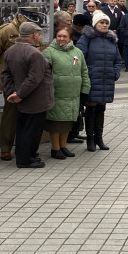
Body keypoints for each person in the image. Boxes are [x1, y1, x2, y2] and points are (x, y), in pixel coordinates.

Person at [0, 23, 54, 170]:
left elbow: (5, 75)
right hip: (35, 99)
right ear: (34, 35)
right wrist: (19, 94)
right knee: (32, 130)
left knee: (23, 128)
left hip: (22, 97)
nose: (40, 37)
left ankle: (25, 154)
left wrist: (13, 92)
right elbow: (34, 78)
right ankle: (26, 159)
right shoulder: (34, 53)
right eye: (39, 34)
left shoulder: (11, 50)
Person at [0, 9, 36, 161]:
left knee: (29, 115)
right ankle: (5, 148)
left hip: (29, 81)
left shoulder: (34, 31)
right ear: (20, 17)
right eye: (29, 18)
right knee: (10, 115)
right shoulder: (6, 30)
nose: (32, 21)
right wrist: (1, 71)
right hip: (11, 81)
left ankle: (25, 147)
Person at [42, 26, 90, 161]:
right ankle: (55, 148)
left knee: (67, 123)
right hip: (57, 93)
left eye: (64, 36)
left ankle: (63, 146)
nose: (61, 39)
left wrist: (85, 89)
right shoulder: (49, 52)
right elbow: (44, 74)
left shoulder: (78, 52)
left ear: (70, 38)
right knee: (56, 123)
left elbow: (84, 71)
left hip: (73, 94)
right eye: (59, 36)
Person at [76, 11, 121, 152]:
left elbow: (118, 60)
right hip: (92, 79)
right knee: (90, 109)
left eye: (106, 22)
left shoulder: (111, 39)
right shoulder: (86, 38)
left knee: (101, 109)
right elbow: (79, 57)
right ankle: (90, 140)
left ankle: (99, 138)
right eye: (101, 22)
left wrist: (115, 72)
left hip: (106, 79)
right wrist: (87, 73)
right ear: (95, 24)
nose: (104, 25)